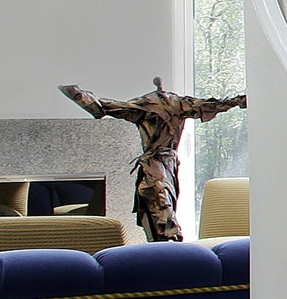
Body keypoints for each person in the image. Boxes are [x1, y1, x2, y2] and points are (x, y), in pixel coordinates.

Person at [59, 77, 247, 242]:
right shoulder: (176, 105)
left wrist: (78, 95)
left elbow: (104, 107)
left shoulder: (149, 107)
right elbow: (212, 105)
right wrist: (238, 101)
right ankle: (166, 246)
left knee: (160, 204)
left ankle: (167, 247)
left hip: (160, 164)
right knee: (160, 204)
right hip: (161, 164)